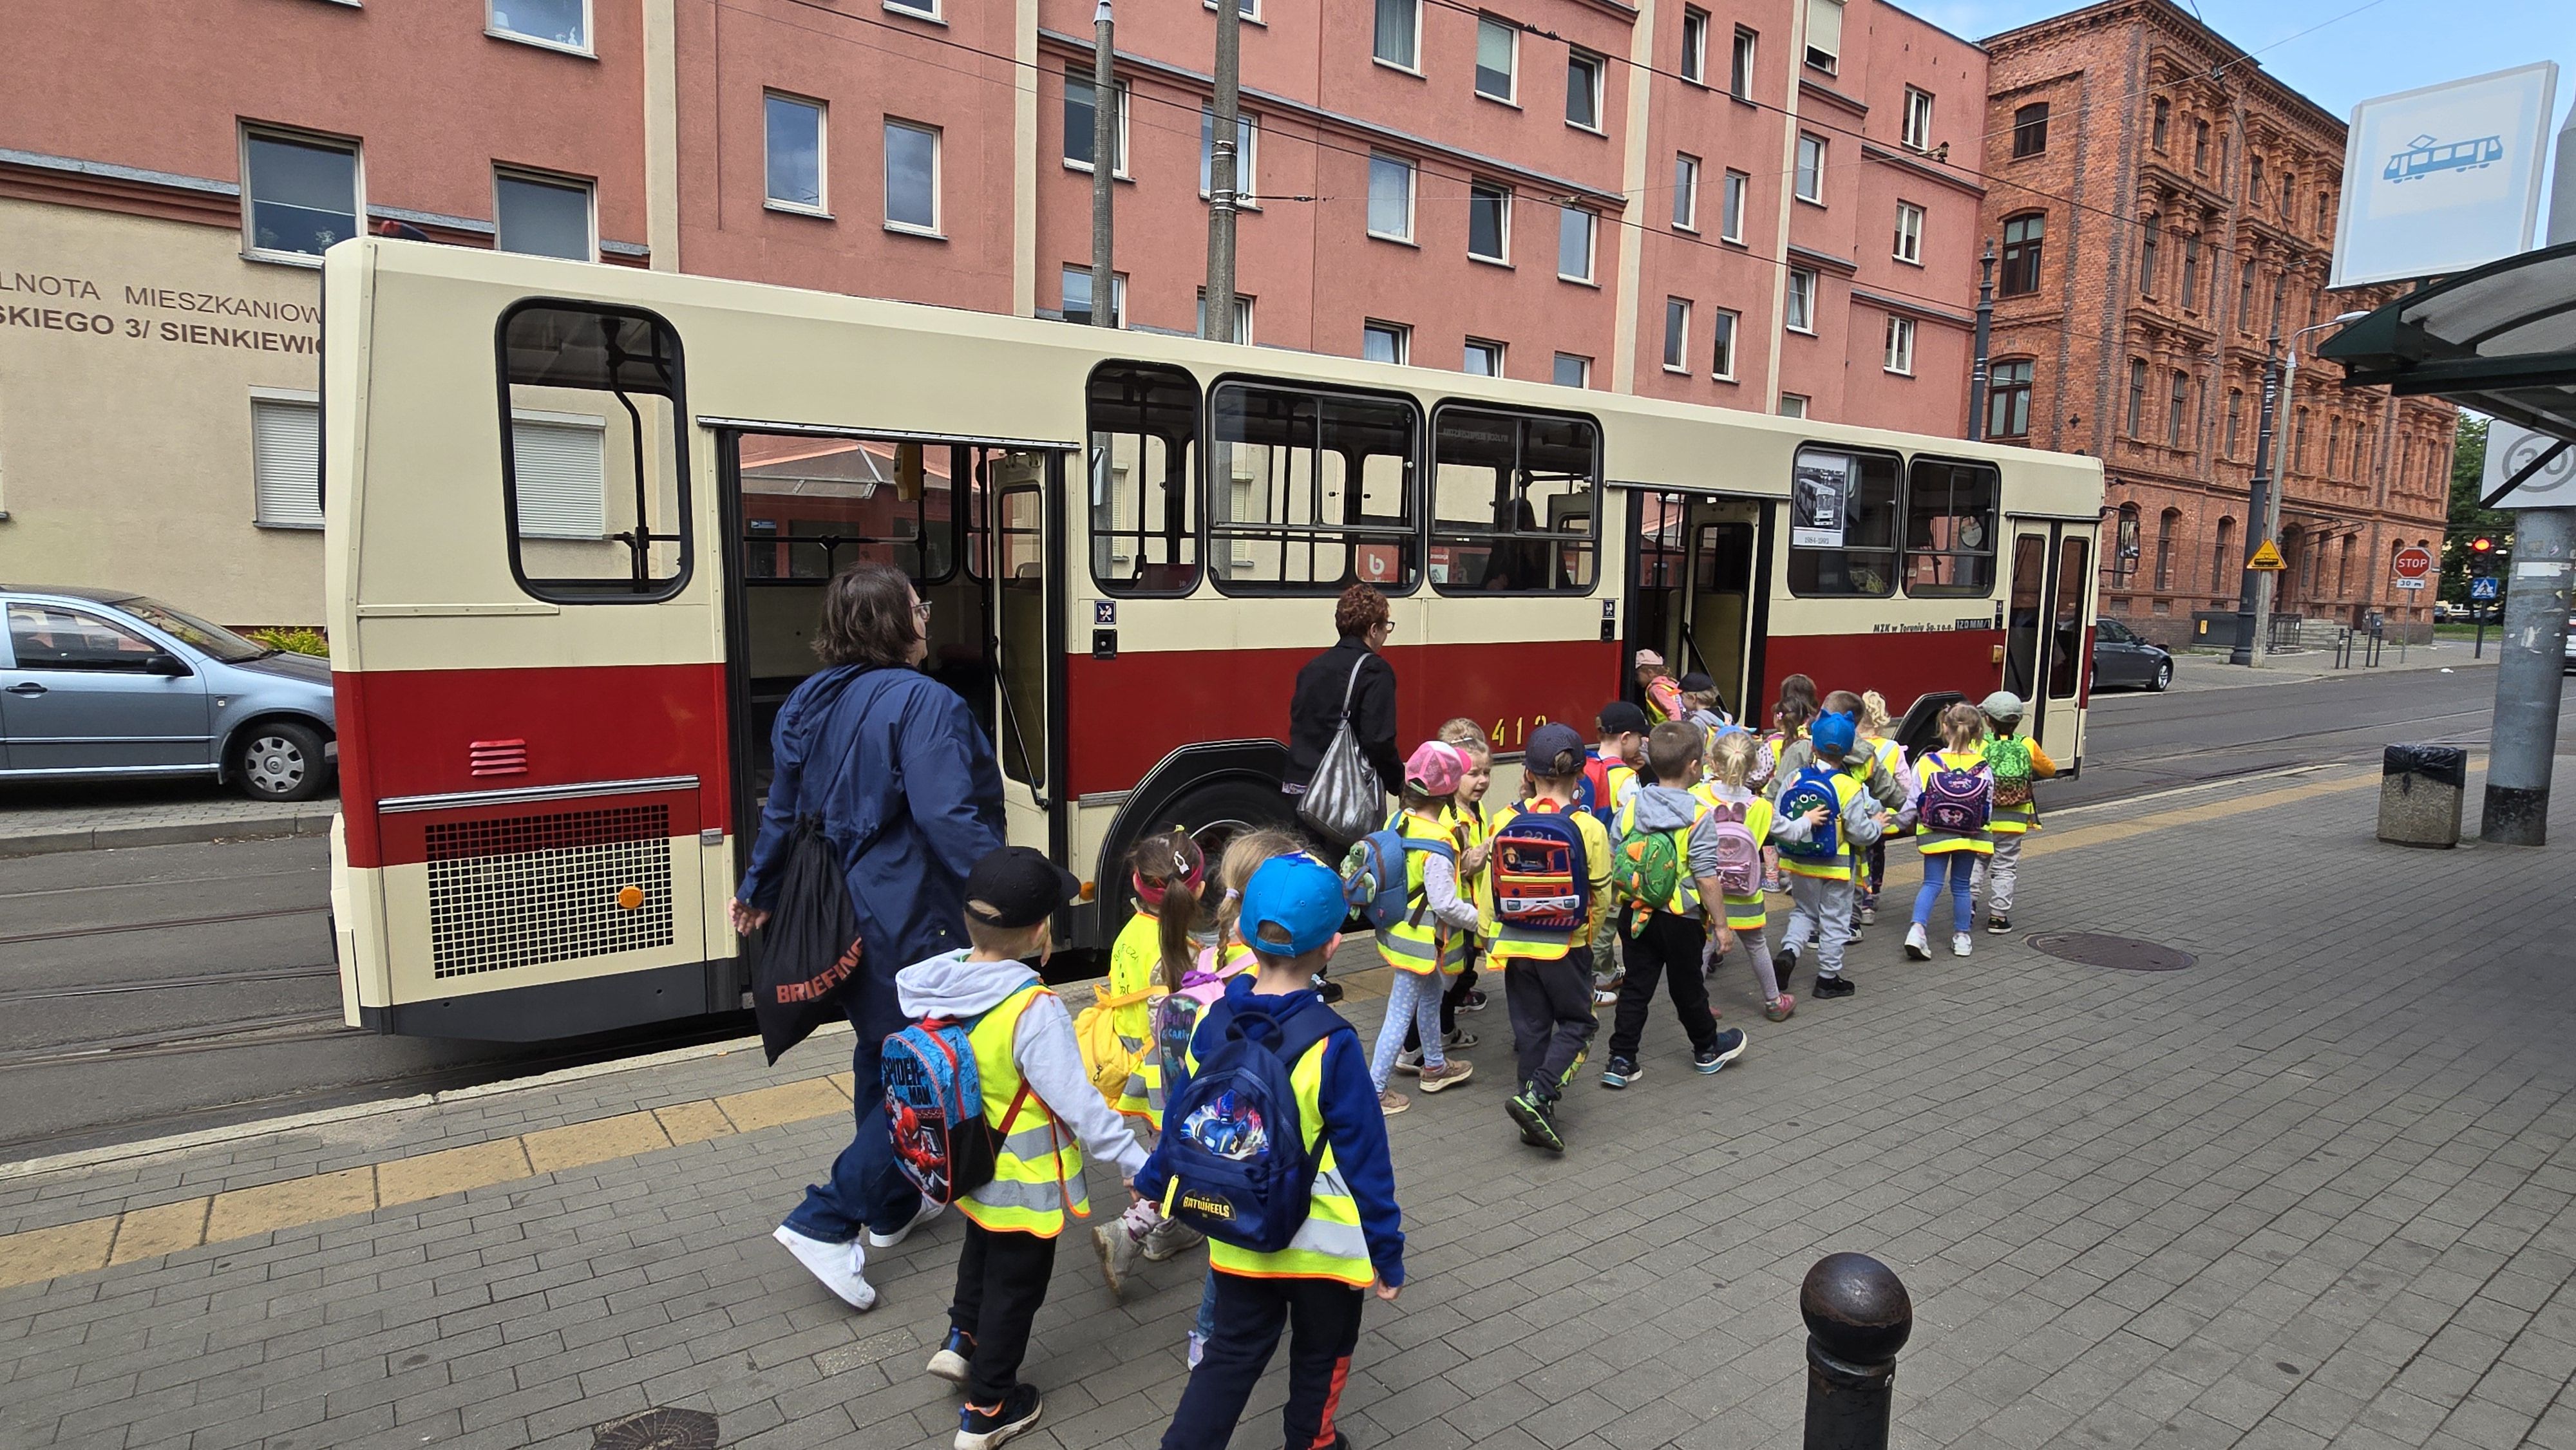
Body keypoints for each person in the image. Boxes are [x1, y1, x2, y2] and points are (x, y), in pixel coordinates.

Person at [735, 560, 1005, 1312]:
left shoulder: (807, 699)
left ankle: (891, 1205)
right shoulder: (926, 702)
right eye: (920, 606)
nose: (926, 618)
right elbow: (948, 817)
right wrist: (1010, 899)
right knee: (936, 1067)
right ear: (895, 621)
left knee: (882, 1050)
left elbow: (783, 810)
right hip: (910, 909)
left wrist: (758, 889)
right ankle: (826, 1217)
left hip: (839, 908)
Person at [1140, 854, 1405, 1450]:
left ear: (1242, 933)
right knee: (1321, 1355)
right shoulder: (1333, 1043)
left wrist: (1155, 1182)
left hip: (1239, 1230)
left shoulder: (1211, 1023)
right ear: (1332, 946)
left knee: (1230, 1354)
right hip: (1324, 1250)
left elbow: (1182, 1116)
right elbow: (1367, 1162)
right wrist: (1387, 1253)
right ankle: (1312, 1442)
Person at [906, 847, 1148, 1450]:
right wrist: (1135, 1160)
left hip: (966, 1161)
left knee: (979, 1253)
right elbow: (1079, 1104)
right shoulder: (1033, 1010)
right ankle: (988, 1407)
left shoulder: (942, 984)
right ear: (1041, 931)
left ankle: (961, 1341)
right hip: (1022, 1178)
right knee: (1016, 1289)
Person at [1601, 722, 1752, 1088]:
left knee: (1636, 987)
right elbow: (1706, 877)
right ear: (1694, 766)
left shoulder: (1632, 807)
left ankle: (1621, 1060)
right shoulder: (1699, 816)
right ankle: (1707, 1048)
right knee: (1688, 987)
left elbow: (1615, 854)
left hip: (1636, 914)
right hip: (1681, 919)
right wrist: (1721, 925)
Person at [1485, 723, 1613, 1153]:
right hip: (1566, 946)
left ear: (1527, 772)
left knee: (1532, 1030)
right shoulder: (1587, 827)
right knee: (1580, 1024)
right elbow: (1601, 894)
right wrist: (1588, 936)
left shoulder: (1504, 820)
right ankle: (1538, 1097)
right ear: (1580, 775)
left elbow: (1489, 893)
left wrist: (1489, 940)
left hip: (1515, 945)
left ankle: (1532, 1119)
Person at [1283, 583, 1401, 1003]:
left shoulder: (1312, 668)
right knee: (1336, 884)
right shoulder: (1374, 671)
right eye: (1386, 627)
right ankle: (1315, 976)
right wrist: (1399, 783)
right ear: (1372, 629)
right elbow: (1379, 739)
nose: (1386, 635)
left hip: (1300, 790)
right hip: (1336, 797)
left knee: (1307, 879)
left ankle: (1297, 968)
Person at [1368, 742, 1481, 1113]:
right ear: (1448, 792)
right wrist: (1481, 920)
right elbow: (1445, 904)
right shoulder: (1439, 842)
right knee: (1400, 1013)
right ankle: (1375, 1090)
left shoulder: (1397, 821)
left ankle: (1434, 1066)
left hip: (1398, 930)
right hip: (1420, 941)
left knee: (1431, 997)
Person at [1766, 709, 1884, 1000]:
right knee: (1835, 919)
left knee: (1804, 911)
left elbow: (1779, 814)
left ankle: (1789, 952)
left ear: (1814, 747)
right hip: (1836, 867)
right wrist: (1877, 826)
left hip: (1799, 862)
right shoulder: (1848, 786)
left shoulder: (1794, 778)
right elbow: (1859, 833)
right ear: (1848, 752)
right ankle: (1828, 979)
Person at [1398, 721, 1495, 1074]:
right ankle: (1414, 1050)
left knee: (1452, 980)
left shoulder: (1472, 809)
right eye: (1473, 774)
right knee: (1439, 985)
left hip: (1463, 913)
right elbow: (1457, 869)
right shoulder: (1449, 820)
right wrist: (1480, 855)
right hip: (1450, 919)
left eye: (1487, 772)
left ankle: (1442, 1034)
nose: (1482, 781)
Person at [1104, 831, 1203, 1120]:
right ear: (1198, 890)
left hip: (1134, 1056)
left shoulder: (1130, 932)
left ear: (1136, 883)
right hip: (1167, 1077)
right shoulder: (1182, 951)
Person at [1698, 731, 1795, 1021]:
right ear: (1753, 766)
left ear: (1713, 763)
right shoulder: (1762, 807)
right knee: (1756, 944)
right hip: (1747, 894)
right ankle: (1774, 1001)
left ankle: (1696, 1005)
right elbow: (1790, 832)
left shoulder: (1698, 798)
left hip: (1707, 891)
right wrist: (1808, 821)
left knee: (1705, 945)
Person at [1906, 702, 1994, 961]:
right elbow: (1988, 805)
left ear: (1945, 727)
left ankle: (1917, 931)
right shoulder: (1983, 766)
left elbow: (1913, 800)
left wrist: (1897, 822)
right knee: (1961, 886)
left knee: (1932, 883)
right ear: (1978, 732)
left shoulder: (1928, 762)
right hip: (1969, 835)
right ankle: (1962, 937)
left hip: (1934, 833)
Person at [1976, 690, 2057, 934]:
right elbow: (2050, 769)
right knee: (2005, 867)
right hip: (2015, 820)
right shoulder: (2027, 744)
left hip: (1983, 820)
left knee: (1976, 862)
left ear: (1988, 720)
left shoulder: (1980, 744)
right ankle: (1998, 917)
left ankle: (1966, 909)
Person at [1853, 692, 1917, 928]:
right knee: (1876, 853)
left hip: (1853, 811)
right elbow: (1907, 784)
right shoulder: (1892, 748)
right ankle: (1871, 900)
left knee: (1856, 855)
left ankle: (1855, 896)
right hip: (1881, 814)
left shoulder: (1850, 747)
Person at [1635, 649, 1685, 724]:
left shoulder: (1656, 689)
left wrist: (1676, 728)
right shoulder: (1669, 683)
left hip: (1667, 729)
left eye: (1637, 675)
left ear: (1650, 673)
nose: (1635, 679)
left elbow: (1673, 710)